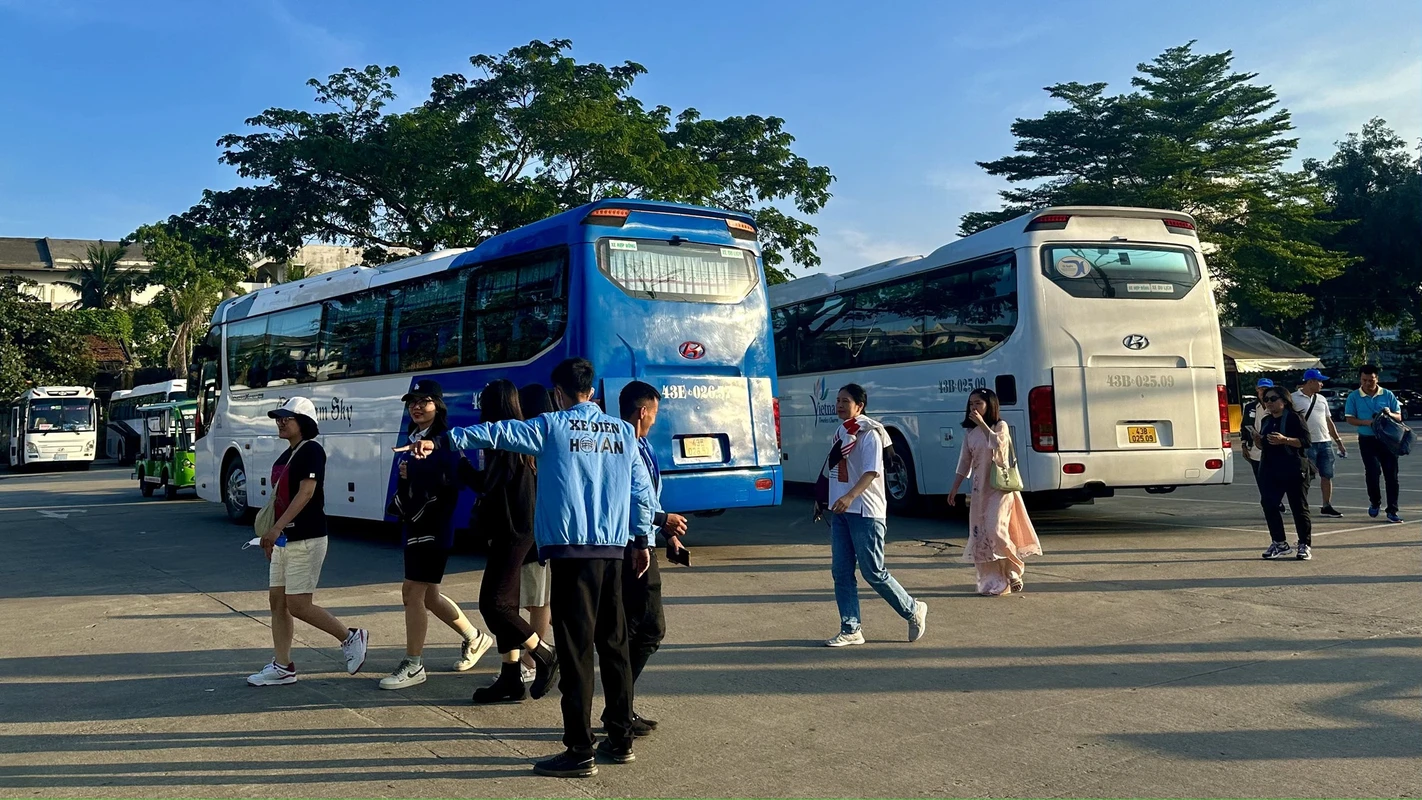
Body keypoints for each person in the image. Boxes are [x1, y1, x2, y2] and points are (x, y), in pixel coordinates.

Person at [398, 358, 657, 778]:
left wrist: (443, 443)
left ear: (557, 392)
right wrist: (642, 539)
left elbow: (498, 432)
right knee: (614, 645)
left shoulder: (552, 426)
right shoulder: (624, 431)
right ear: (590, 390)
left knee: (575, 653)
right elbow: (640, 490)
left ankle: (579, 750)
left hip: (572, 553)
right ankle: (620, 736)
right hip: (614, 550)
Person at [380, 379, 495, 691]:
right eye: (412, 401)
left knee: (411, 593)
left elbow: (458, 479)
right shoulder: (414, 438)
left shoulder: (443, 441)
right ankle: (475, 637)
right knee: (428, 595)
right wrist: (407, 478)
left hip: (433, 526)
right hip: (417, 525)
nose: (417, 406)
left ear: (438, 405)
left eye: (425, 401)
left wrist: (418, 473)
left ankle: (413, 663)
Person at [247, 397, 370, 686]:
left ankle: (350, 637)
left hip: (307, 537)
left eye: (287, 418)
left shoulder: (312, 451)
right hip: (283, 540)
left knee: (298, 604)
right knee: (277, 602)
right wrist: (271, 536)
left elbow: (306, 493)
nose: (281, 422)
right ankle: (283, 666)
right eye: (278, 417)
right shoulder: (286, 455)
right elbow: (280, 498)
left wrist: (276, 528)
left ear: (303, 422)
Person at [822, 383, 928, 647]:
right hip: (841, 511)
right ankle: (851, 627)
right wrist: (824, 497)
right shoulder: (840, 431)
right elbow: (834, 468)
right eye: (837, 400)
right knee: (841, 572)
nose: (840, 405)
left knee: (873, 572)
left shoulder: (869, 432)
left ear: (860, 405)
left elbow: (871, 471)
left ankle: (912, 609)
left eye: (845, 401)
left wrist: (849, 497)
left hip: (866, 511)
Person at [468, 380, 553, 704]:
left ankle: (544, 654)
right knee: (506, 603)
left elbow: (486, 482)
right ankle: (510, 677)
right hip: (516, 528)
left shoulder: (505, 439)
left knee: (494, 604)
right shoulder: (519, 434)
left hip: (513, 531)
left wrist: (458, 466)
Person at [617, 381, 690, 736]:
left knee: (640, 629)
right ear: (643, 411)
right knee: (645, 628)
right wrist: (661, 522)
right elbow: (629, 498)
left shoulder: (644, 446)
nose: (656, 420)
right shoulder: (625, 445)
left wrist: (667, 532)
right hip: (633, 547)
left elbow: (649, 498)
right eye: (655, 412)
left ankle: (622, 707)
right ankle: (618, 710)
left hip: (646, 540)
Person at [947, 388, 1043, 596]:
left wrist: (982, 423)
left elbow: (999, 446)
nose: (974, 407)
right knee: (982, 535)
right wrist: (955, 487)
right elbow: (965, 463)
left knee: (996, 530)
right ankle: (994, 581)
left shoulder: (1000, 426)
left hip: (1000, 488)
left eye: (978, 403)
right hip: (979, 490)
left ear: (990, 405)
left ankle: (1014, 569)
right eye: (971, 403)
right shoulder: (970, 434)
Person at [517, 383, 555, 685]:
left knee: (539, 600)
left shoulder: (536, 443)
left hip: (536, 534)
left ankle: (533, 658)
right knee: (533, 599)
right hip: (537, 532)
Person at [1257, 386, 1314, 560]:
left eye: (1273, 399)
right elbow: (1264, 445)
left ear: (1284, 400)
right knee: (1269, 504)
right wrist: (1257, 440)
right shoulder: (1266, 421)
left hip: (1294, 468)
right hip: (1271, 469)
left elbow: (1306, 442)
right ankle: (1279, 543)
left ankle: (1304, 544)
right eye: (1266, 399)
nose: (1268, 402)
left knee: (1298, 506)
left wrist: (1285, 440)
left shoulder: (1295, 418)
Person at [1344, 365, 1405, 523]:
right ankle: (1375, 502)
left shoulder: (1387, 394)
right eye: (1364, 380)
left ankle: (1392, 510)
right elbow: (1349, 418)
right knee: (1372, 472)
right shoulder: (1354, 396)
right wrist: (1367, 423)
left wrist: (1388, 414)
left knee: (1391, 475)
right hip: (1367, 439)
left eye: (1371, 380)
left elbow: (1399, 416)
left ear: (1377, 378)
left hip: (1387, 440)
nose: (1368, 384)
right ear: (1360, 379)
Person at [1292, 369, 1347, 518]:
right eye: (1319, 381)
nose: (1322, 384)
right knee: (1305, 477)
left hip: (1325, 443)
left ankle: (1326, 505)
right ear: (1310, 382)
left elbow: (1328, 421)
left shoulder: (1321, 399)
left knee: (1327, 475)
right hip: (1306, 444)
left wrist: (1338, 441)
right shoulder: (1293, 399)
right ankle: (1300, 506)